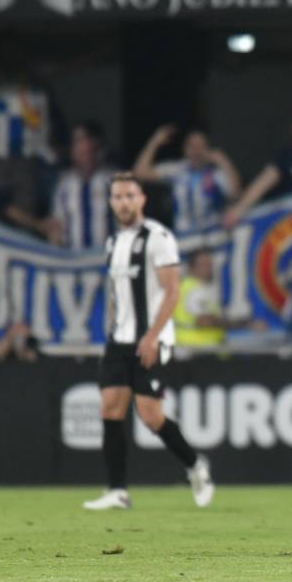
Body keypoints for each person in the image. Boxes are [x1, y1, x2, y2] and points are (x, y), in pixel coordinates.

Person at [83, 173, 215, 511]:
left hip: (150, 340)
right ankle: (117, 490)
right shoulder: (113, 243)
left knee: (150, 416)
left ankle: (194, 465)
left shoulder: (159, 238)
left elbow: (172, 292)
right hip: (119, 341)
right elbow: (116, 293)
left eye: (129, 195)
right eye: (117, 197)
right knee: (109, 409)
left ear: (141, 199)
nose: (123, 202)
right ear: (111, 202)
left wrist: (152, 336)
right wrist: (111, 328)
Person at [132, 124, 240, 235]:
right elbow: (140, 173)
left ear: (208, 148)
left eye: (201, 146)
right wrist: (155, 141)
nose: (196, 151)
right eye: (192, 146)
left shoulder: (216, 174)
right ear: (184, 149)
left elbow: (236, 194)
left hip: (211, 236)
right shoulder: (177, 170)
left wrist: (224, 162)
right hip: (184, 237)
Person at [51, 121, 116, 249]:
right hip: (74, 263)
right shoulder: (64, 186)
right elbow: (56, 230)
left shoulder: (113, 182)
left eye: (89, 141)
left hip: (106, 261)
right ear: (72, 151)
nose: (86, 147)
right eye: (79, 142)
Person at [174, 249, 229, 347]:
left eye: (210, 264)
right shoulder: (195, 290)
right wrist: (236, 323)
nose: (209, 268)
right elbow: (204, 322)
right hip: (198, 349)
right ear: (191, 268)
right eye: (204, 265)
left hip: (191, 347)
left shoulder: (187, 287)